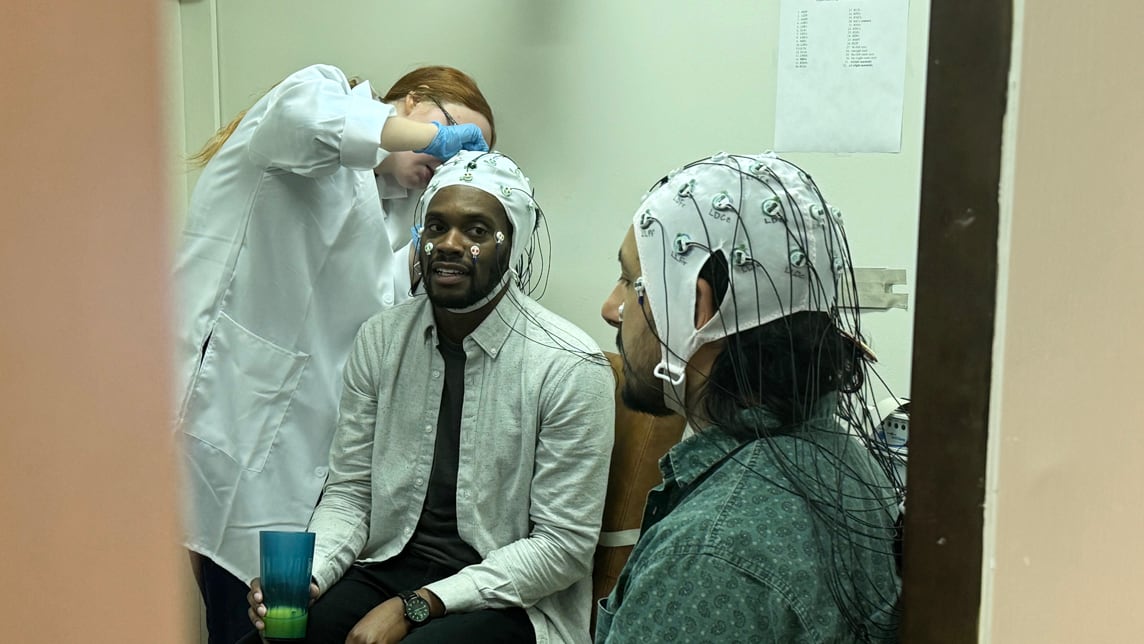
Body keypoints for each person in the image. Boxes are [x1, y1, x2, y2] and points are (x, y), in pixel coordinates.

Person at [174, 63, 495, 644]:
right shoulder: (319, 93)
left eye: (462, 156)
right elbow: (301, 124)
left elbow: (381, 324)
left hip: (299, 465)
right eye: (448, 130)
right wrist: (427, 140)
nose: (444, 159)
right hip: (219, 414)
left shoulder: (402, 216)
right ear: (411, 100)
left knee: (264, 622)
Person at [241, 151, 616, 644]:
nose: (449, 244)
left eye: (477, 231)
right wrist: (312, 576)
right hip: (387, 567)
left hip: (507, 597)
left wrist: (417, 606)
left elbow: (561, 547)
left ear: (513, 244)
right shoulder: (381, 339)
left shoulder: (569, 365)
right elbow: (351, 493)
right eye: (436, 227)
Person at [596, 152, 902, 642]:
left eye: (634, 284)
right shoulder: (839, 455)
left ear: (699, 307)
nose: (612, 309)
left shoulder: (705, 559)